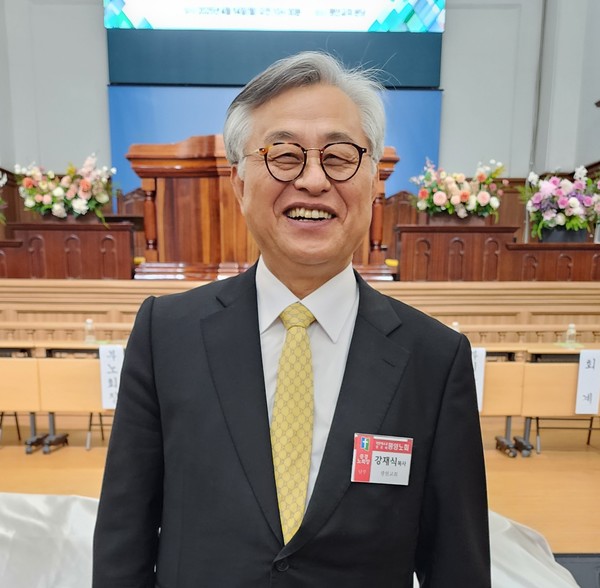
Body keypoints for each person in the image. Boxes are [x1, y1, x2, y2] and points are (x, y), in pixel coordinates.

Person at [93, 51, 490, 587]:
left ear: (373, 181)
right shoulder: (166, 334)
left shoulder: (434, 359)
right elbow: (124, 536)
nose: (313, 180)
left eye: (340, 157)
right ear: (238, 183)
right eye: (284, 156)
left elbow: (458, 563)